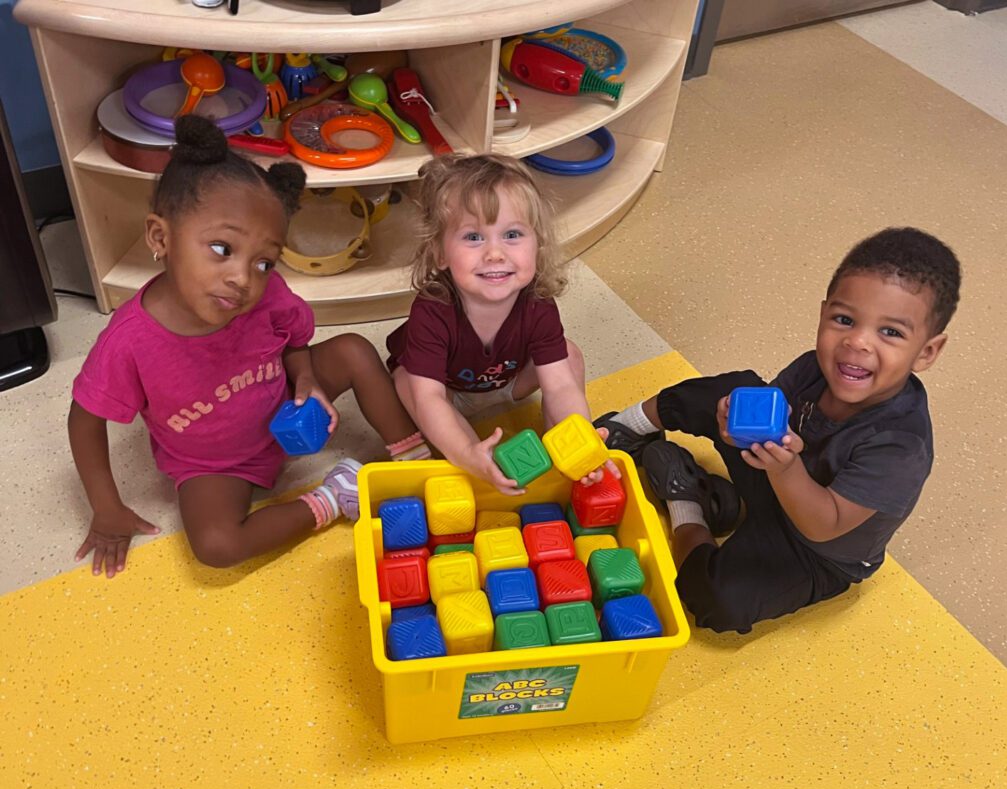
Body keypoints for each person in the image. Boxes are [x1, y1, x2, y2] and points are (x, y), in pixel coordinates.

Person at [69, 115, 430, 577]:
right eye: (222, 249)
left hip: (283, 409)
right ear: (161, 237)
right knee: (216, 546)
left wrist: (306, 380)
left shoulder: (268, 293)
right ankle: (333, 497)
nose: (242, 277)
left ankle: (415, 456)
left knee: (355, 350)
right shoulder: (131, 340)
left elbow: (295, 341)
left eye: (263, 262)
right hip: (214, 463)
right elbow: (84, 419)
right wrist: (106, 507)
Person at [597, 227, 961, 633]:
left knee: (717, 600)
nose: (856, 342)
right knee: (730, 391)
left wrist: (785, 470)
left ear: (926, 351)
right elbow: (765, 411)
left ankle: (689, 504)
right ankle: (627, 426)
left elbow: (824, 524)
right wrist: (732, 424)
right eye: (844, 320)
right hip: (775, 472)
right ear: (823, 313)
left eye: (890, 332)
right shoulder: (814, 367)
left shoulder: (900, 446)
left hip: (816, 548)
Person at [386, 153, 616, 495]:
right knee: (407, 380)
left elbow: (560, 387)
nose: (495, 254)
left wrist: (582, 437)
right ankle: (475, 459)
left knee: (569, 356)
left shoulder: (538, 304)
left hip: (509, 382)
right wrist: (466, 453)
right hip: (454, 394)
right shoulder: (432, 311)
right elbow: (431, 398)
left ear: (538, 244)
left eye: (512, 234)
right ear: (440, 252)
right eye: (474, 237)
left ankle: (565, 447)